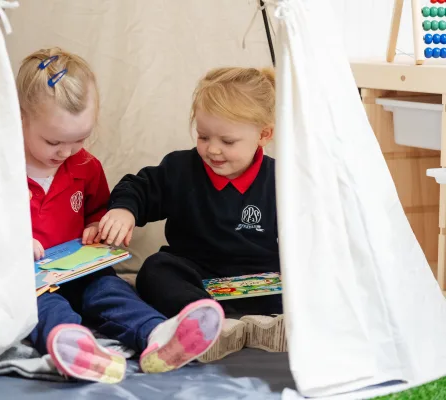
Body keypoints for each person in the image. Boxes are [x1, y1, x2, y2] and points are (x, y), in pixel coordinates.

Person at [18, 47, 224, 383]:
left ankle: (159, 335)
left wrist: (96, 226)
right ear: (20, 117)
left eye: (79, 139)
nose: (66, 152)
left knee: (110, 290)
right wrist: (12, 240)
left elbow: (96, 209)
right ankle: (73, 345)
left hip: (79, 270)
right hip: (30, 280)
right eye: (53, 141)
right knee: (43, 308)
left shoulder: (85, 166)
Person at [98, 67, 286, 363]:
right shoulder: (180, 169)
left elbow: (310, 228)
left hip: (259, 281)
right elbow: (140, 187)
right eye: (203, 136)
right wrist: (124, 210)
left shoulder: (281, 179)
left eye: (227, 141)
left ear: (264, 135)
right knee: (154, 270)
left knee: (300, 280)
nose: (213, 150)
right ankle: (207, 320)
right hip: (196, 276)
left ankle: (269, 324)